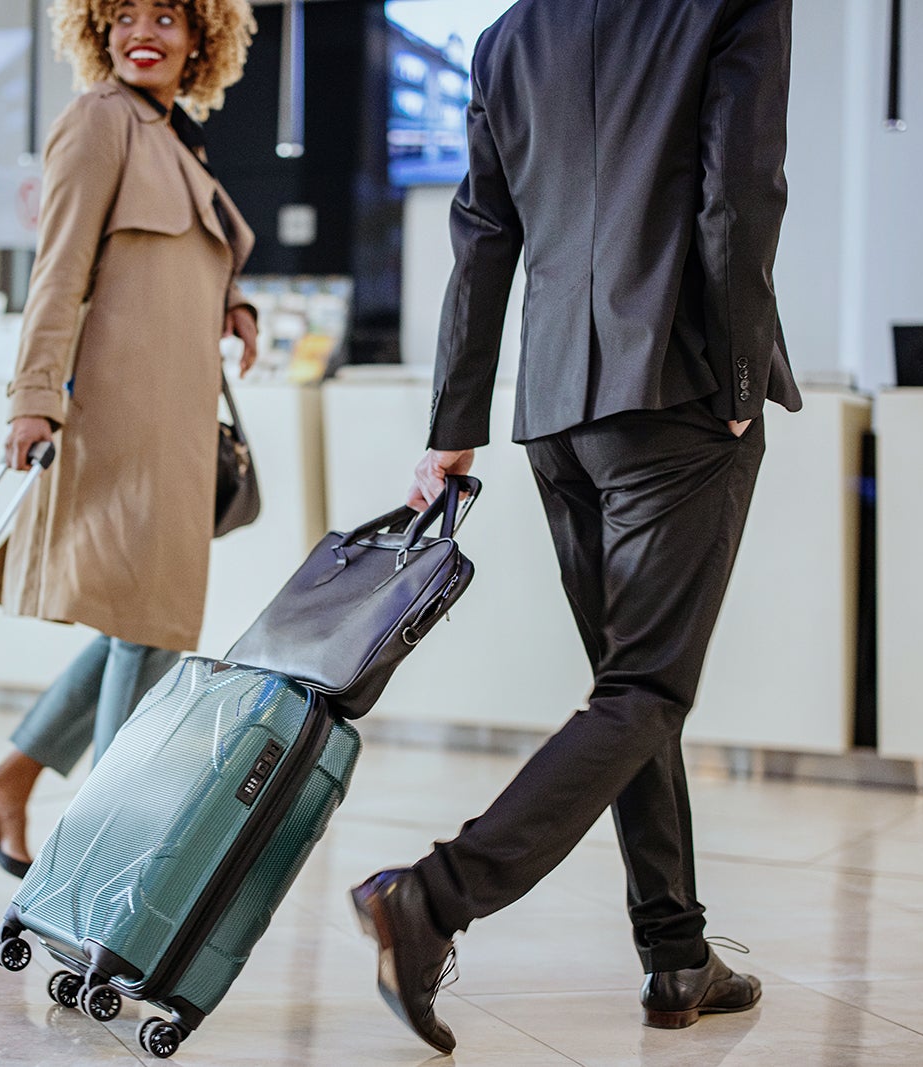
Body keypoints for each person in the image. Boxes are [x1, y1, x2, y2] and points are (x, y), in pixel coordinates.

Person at [348, 0, 800, 1053]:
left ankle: (676, 949)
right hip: (681, 395)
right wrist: (737, 377)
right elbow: (740, 190)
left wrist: (453, 424)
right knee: (644, 687)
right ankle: (433, 895)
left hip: (556, 409)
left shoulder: (508, 38)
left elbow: (483, 237)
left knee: (629, 689)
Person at [0, 0, 259, 878]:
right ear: (97, 30)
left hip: (180, 426)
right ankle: (100, 853)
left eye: (166, 16)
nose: (143, 33)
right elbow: (57, 271)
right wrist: (32, 397)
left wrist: (234, 302)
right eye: (124, 15)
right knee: (141, 625)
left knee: (153, 622)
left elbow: (186, 262)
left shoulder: (174, 137)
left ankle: (8, 781)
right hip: (120, 423)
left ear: (201, 36)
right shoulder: (99, 121)